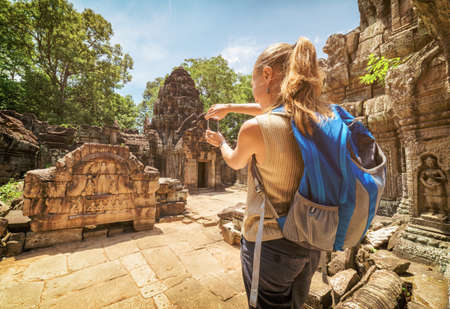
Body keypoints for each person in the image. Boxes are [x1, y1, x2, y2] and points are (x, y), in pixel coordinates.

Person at [205, 36, 333, 308]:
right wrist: (230, 107)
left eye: (253, 81)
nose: (252, 90)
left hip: (272, 246)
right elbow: (275, 107)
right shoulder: (317, 118)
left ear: (266, 74)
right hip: (312, 243)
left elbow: (235, 162)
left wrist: (222, 144)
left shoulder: (255, 128)